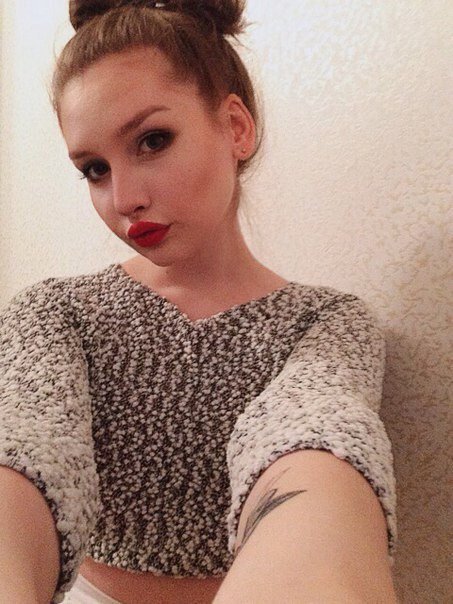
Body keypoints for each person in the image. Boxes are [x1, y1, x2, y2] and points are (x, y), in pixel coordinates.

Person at [0, 1, 399, 602]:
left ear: (235, 127)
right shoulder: (54, 313)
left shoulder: (327, 323)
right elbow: (27, 439)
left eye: (152, 140)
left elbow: (316, 435)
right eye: (94, 169)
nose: (124, 198)